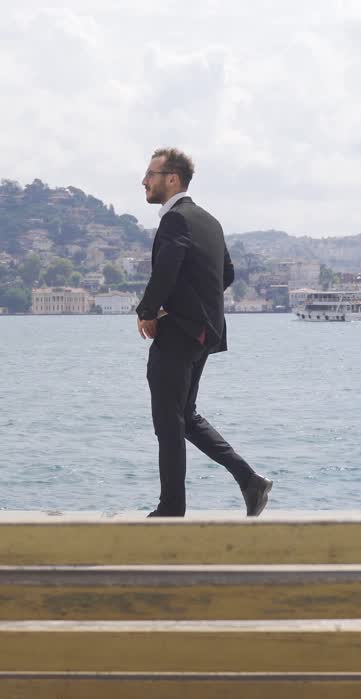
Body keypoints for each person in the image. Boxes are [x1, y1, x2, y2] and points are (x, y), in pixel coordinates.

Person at [135, 147, 272, 517]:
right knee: (185, 417)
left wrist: (149, 310)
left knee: (168, 420)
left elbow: (166, 269)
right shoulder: (210, 221)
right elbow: (224, 275)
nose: (144, 181)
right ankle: (249, 480)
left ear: (172, 179)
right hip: (203, 335)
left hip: (179, 332)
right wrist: (197, 306)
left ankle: (171, 509)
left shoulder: (175, 220)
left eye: (151, 174)